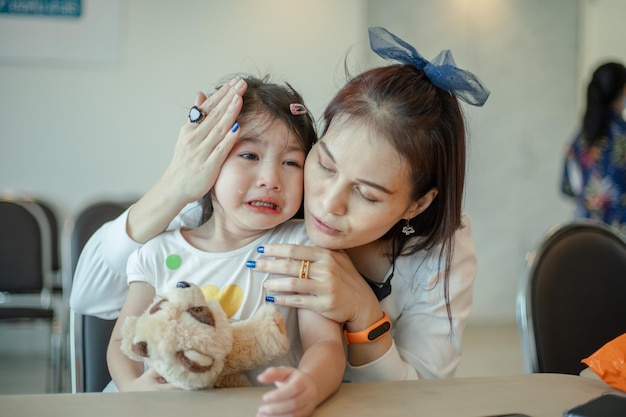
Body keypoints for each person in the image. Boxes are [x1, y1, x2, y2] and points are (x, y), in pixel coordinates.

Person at [71, 27, 489, 388]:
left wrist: (364, 312)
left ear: (417, 203)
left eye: (368, 194)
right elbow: (89, 296)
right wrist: (177, 184)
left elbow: (424, 396)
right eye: (324, 165)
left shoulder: (441, 250)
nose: (327, 202)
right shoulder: (235, 211)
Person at [103, 75, 346, 417]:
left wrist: (311, 384)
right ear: (207, 160)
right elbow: (121, 342)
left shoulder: (300, 245)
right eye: (249, 154)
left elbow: (325, 344)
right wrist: (131, 387)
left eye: (291, 162)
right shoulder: (158, 254)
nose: (271, 180)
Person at [561, 62, 626, 232]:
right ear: (623, 90)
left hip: (585, 239)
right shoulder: (623, 137)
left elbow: (567, 188)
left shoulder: (578, 140)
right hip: (620, 244)